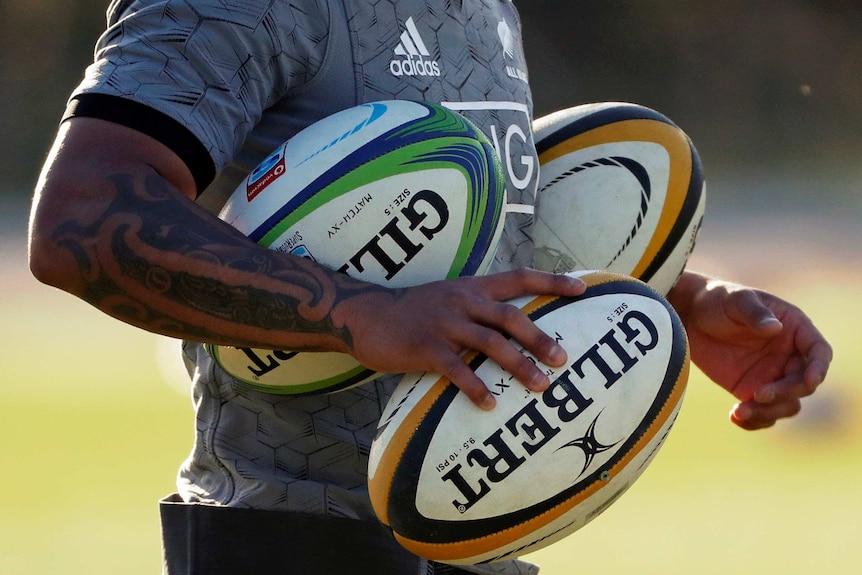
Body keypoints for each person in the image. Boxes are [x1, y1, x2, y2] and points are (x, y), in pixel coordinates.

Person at [28, 1, 832, 574]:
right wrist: (354, 314)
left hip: (479, 538)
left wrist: (675, 294)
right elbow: (84, 216)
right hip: (295, 540)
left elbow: (466, 232)